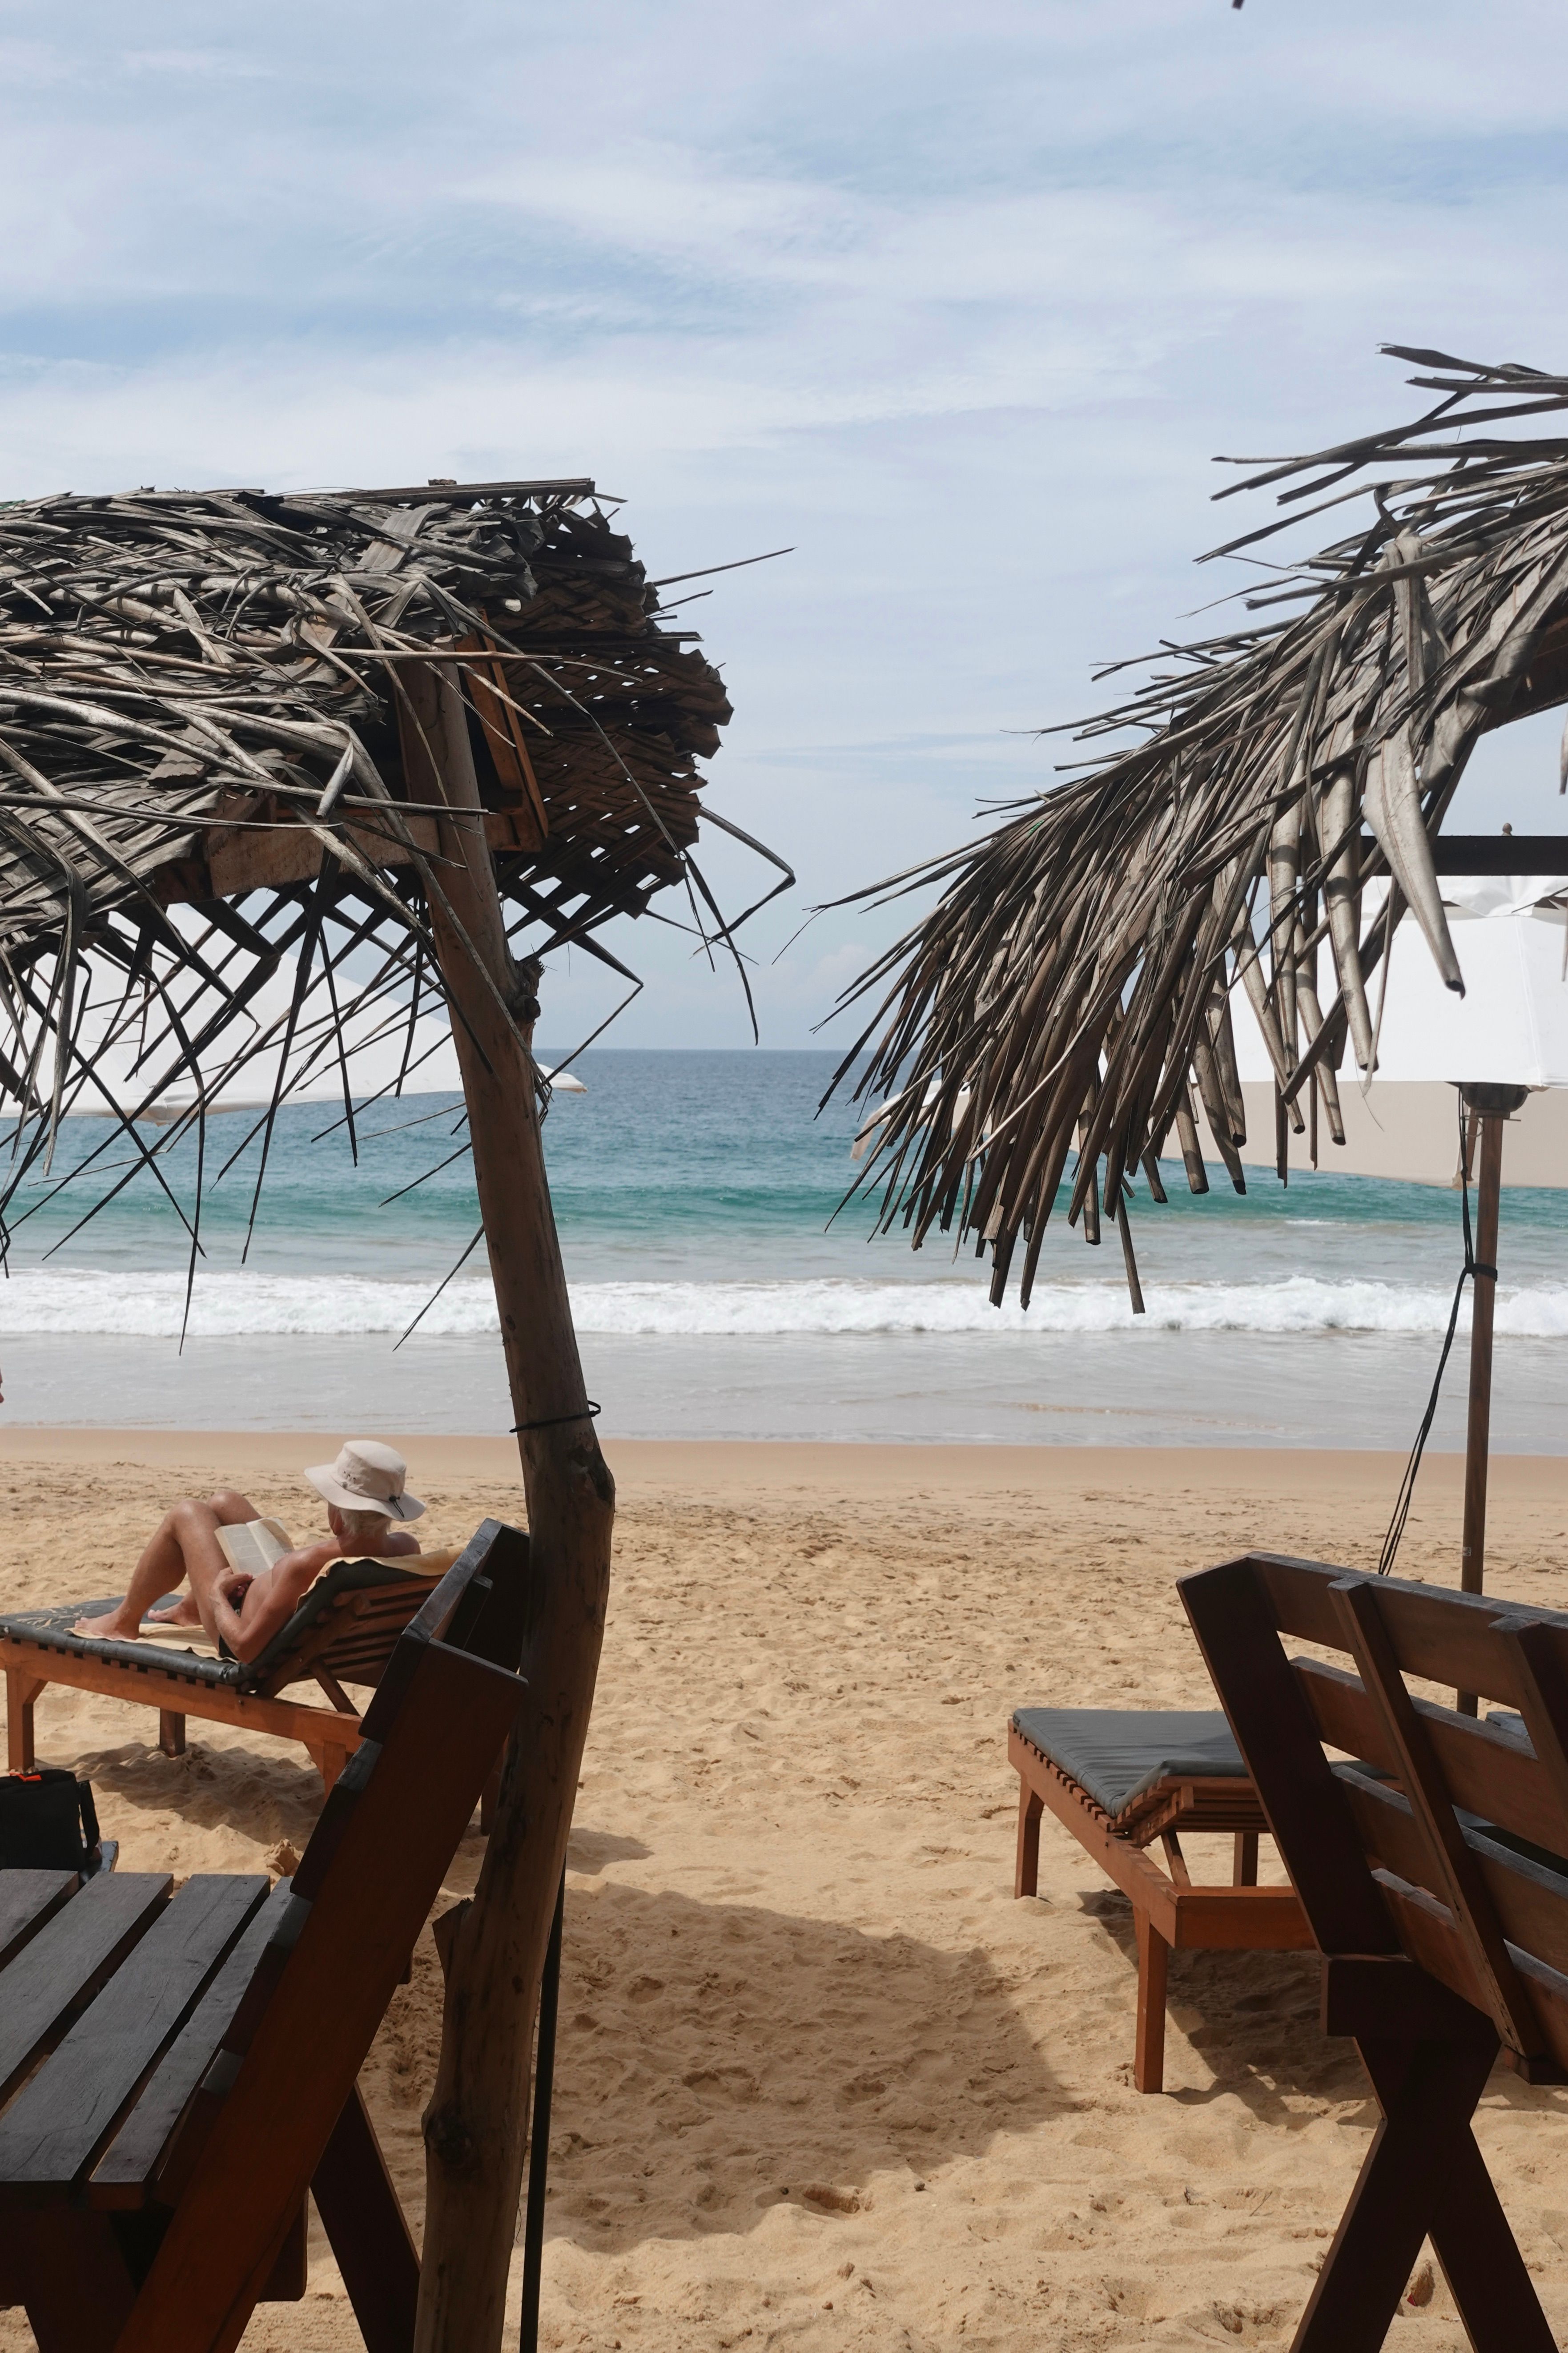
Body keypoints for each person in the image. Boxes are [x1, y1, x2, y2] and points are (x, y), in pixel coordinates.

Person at [73, 1439, 424, 1665]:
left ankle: (124, 1621)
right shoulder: (408, 1549)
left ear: (337, 1513)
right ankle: (187, 1608)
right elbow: (315, 1575)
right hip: (297, 1612)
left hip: (240, 1622)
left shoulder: (305, 1566)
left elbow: (244, 1648)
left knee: (189, 1513)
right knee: (225, 1502)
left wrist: (216, 1598)